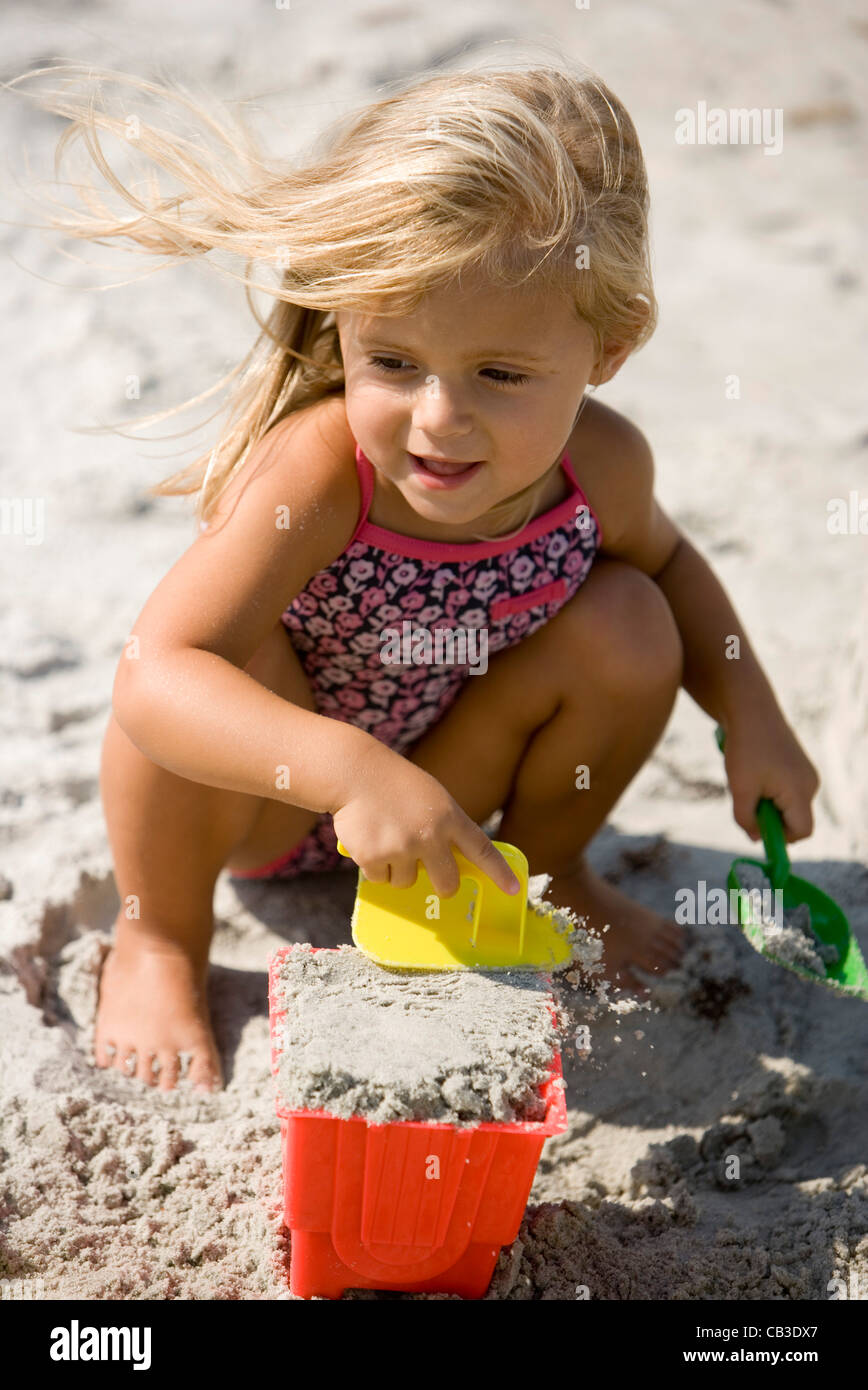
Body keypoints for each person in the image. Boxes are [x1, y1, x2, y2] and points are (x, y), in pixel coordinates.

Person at [10, 58, 819, 1090]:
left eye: (498, 373)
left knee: (631, 616)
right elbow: (151, 674)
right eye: (393, 362)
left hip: (442, 795)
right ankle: (160, 940)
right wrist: (347, 770)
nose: (439, 417)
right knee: (220, 652)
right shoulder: (320, 471)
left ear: (608, 349)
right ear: (345, 320)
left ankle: (545, 868)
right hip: (265, 797)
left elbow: (673, 567)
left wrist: (751, 714)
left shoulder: (600, 467)